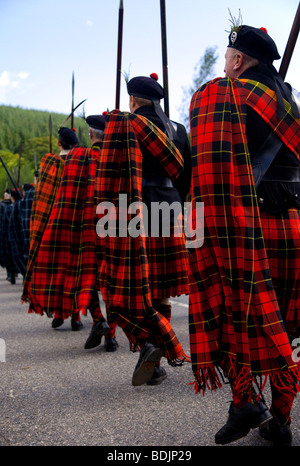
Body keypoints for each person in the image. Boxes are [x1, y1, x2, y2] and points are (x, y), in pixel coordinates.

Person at [188, 23, 300, 446]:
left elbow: (206, 166)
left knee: (241, 316)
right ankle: (282, 420)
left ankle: (246, 401)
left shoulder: (220, 93)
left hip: (245, 225)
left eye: (227, 59)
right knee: (286, 324)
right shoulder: (290, 101)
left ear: (237, 60)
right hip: (292, 224)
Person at [95, 74, 191, 386]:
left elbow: (109, 174)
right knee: (161, 286)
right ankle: (155, 357)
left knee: (126, 286)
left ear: (133, 100)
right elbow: (187, 176)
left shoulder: (125, 124)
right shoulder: (177, 129)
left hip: (133, 209)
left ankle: (150, 343)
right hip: (172, 207)